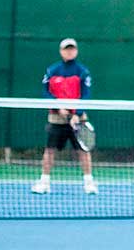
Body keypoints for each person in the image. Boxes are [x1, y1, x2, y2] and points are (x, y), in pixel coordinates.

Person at [31, 38, 96, 195]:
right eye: (66, 49)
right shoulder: (52, 70)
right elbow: (45, 92)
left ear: (76, 51)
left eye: (72, 49)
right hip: (56, 118)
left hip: (78, 119)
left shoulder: (83, 71)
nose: (69, 51)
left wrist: (77, 114)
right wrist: (58, 106)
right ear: (61, 51)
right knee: (49, 150)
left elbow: (86, 95)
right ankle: (44, 183)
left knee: (83, 151)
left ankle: (89, 184)